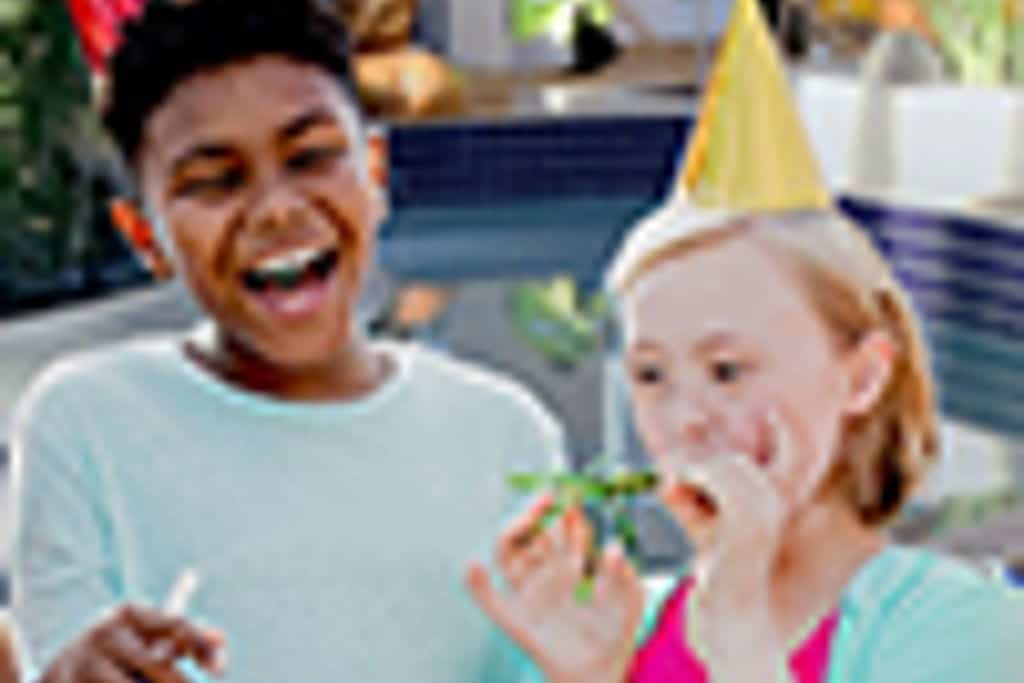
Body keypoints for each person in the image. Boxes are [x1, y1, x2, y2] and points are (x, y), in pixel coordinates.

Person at [464, 0, 1024, 680]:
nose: (685, 419)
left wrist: (737, 624)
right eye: (650, 375)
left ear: (862, 377)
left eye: (727, 370)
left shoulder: (967, 627)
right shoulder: (618, 624)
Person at [10, 1, 563, 681]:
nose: (277, 209)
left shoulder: (504, 435)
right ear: (144, 237)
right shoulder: (85, 422)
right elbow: (57, 658)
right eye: (214, 182)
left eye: (311, 157)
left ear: (376, 172)